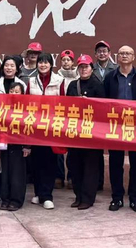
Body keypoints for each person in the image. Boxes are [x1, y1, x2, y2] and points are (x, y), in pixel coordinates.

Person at [104, 45, 136, 213]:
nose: (125, 56)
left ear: (134, 57)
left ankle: (135, 198)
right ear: (117, 57)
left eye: (128, 53)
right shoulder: (110, 77)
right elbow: (103, 101)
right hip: (116, 125)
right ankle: (117, 197)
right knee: (115, 162)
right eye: (121, 53)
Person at [67, 55, 105, 210]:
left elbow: (103, 108)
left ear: (92, 68)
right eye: (81, 67)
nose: (83, 70)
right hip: (75, 131)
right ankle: (78, 196)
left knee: (90, 167)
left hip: (92, 132)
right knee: (75, 165)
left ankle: (88, 198)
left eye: (86, 67)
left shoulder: (98, 85)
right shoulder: (72, 85)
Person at [27, 53, 63, 210]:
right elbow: (26, 102)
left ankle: (47, 195)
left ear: (51, 64)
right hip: (35, 126)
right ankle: (38, 192)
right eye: (40, 62)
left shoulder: (59, 80)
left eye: (46, 62)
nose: (42, 65)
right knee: (36, 161)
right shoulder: (31, 81)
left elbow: (64, 103)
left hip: (51, 126)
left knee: (49, 161)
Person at [0, 81, 31, 211]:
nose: (13, 94)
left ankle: (16, 201)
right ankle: (5, 199)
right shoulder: (3, 107)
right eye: (11, 91)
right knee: (5, 174)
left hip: (19, 146)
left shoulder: (26, 109)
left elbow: (29, 128)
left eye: (17, 91)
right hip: (5, 145)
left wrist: (27, 146)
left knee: (17, 175)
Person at [55, 49, 77, 189]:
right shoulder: (56, 77)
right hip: (59, 114)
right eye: (63, 60)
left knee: (72, 147)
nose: (66, 62)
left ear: (72, 62)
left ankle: (71, 176)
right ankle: (59, 176)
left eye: (68, 60)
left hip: (73, 115)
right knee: (58, 146)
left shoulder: (78, 77)